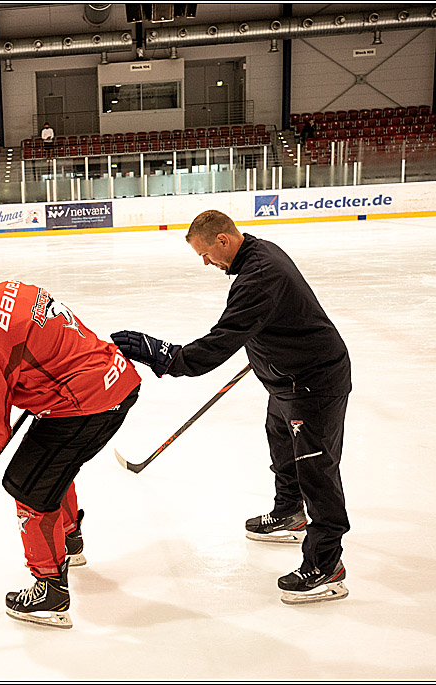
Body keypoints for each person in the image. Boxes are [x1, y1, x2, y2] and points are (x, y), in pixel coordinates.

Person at [110, 209, 351, 606]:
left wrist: (167, 357)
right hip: (287, 379)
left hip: (313, 384)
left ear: (223, 240)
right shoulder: (257, 254)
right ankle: (290, 511)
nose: (206, 263)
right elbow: (264, 321)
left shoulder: (259, 276)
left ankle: (327, 565)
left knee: (316, 470)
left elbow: (222, 340)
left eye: (206, 254)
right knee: (281, 446)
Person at [0, 262, 142, 629]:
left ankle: (49, 589)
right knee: (51, 466)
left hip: (86, 403)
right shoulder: (10, 288)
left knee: (27, 485)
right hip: (111, 379)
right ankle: (69, 540)